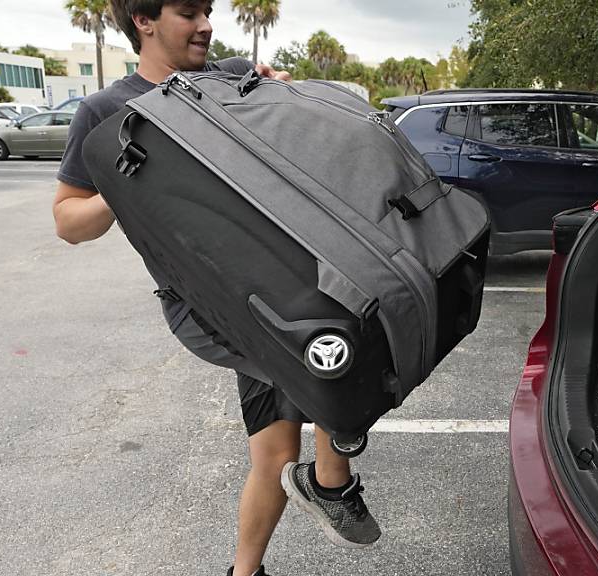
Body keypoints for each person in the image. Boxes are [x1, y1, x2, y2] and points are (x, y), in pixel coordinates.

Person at [52, 2, 380, 574]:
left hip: (277, 280)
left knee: (276, 455)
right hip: (207, 303)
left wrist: (283, 93)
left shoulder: (228, 79)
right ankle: (332, 481)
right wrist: (121, 184)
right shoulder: (106, 111)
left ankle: (245, 570)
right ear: (144, 21)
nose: (205, 23)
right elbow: (67, 222)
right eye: (187, 11)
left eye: (207, 10)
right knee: (334, 351)